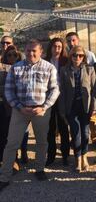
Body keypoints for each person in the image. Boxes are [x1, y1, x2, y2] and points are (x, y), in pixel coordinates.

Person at [0, 39, 59, 191]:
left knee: (41, 141)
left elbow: (54, 90)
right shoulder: (16, 68)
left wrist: (44, 106)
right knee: (12, 143)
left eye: (34, 51)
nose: (31, 53)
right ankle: (4, 176)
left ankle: (39, 169)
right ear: (24, 51)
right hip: (20, 111)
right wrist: (19, 107)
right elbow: (9, 90)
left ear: (41, 52)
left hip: (41, 111)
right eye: (28, 51)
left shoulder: (49, 67)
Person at [59, 46, 96, 172]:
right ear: (70, 56)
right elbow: (62, 92)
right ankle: (78, 159)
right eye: (75, 55)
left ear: (84, 57)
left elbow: (94, 90)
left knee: (85, 133)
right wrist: (62, 111)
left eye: (80, 55)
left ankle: (84, 157)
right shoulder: (64, 70)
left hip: (85, 106)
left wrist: (94, 108)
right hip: (71, 106)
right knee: (76, 134)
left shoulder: (89, 69)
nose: (77, 58)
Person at [65, 31, 96, 144]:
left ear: (78, 40)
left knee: (90, 121)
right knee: (75, 125)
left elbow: (93, 74)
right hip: (73, 98)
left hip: (87, 96)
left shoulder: (88, 54)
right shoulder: (67, 55)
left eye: (73, 40)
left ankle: (93, 138)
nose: (71, 43)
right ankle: (77, 141)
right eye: (69, 41)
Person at [0, 46, 28, 169]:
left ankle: (15, 159)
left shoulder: (16, 68)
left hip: (13, 106)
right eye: (9, 55)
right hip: (5, 105)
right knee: (3, 134)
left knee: (13, 134)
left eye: (14, 55)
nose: (11, 57)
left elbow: (20, 87)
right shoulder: (4, 68)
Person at [45, 38, 70, 166]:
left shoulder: (66, 61)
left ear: (62, 48)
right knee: (50, 129)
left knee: (63, 127)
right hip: (48, 97)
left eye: (59, 46)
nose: (57, 49)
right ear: (51, 47)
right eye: (55, 46)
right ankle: (51, 155)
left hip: (62, 98)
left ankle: (65, 155)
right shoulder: (44, 61)